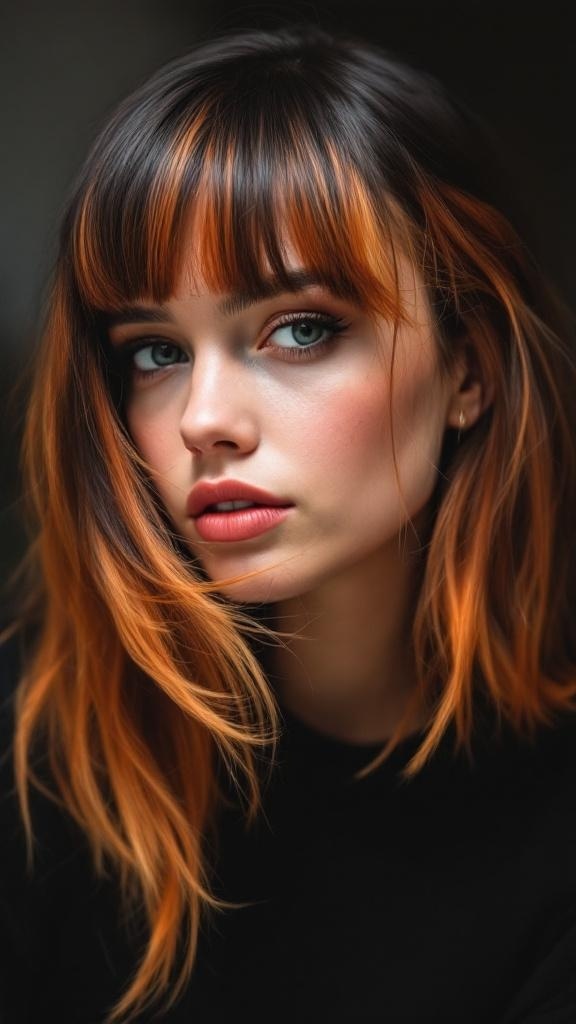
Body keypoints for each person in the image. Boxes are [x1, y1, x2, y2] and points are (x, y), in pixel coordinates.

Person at [1, 20, 576, 1024]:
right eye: (155, 351)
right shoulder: (35, 759)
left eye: (299, 329)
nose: (204, 419)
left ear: (468, 370)